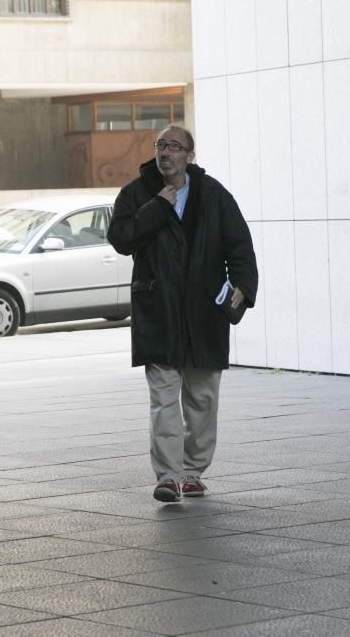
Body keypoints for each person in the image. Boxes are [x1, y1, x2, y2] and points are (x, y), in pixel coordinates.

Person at [108, 124, 258, 503]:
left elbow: (238, 243)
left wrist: (242, 288)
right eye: (161, 145)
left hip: (204, 311)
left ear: (190, 155)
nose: (166, 153)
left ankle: (193, 470)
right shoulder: (136, 192)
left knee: (202, 398)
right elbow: (121, 240)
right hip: (158, 310)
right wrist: (158, 205)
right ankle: (169, 476)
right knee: (163, 398)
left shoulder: (213, 194)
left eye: (175, 147)